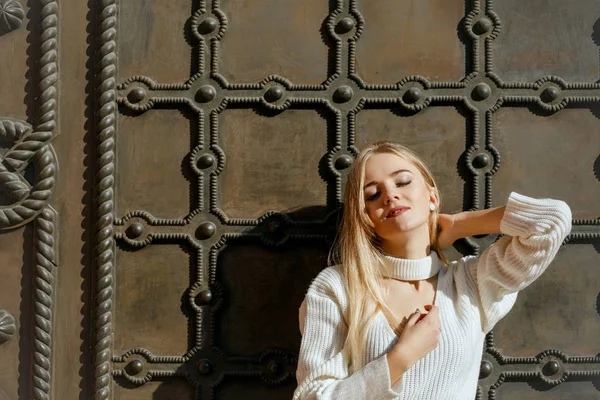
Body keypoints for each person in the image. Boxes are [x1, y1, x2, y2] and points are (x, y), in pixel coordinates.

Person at [293, 141, 571, 400]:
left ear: (432, 197)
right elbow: (312, 395)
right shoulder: (339, 287)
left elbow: (552, 220)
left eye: (403, 181)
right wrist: (400, 358)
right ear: (365, 218)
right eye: (373, 194)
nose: (390, 194)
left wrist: (460, 225)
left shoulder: (472, 282)